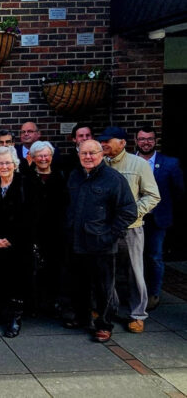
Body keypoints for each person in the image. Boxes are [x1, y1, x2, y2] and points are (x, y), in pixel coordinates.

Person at [65, 139, 137, 343]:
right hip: (76, 242)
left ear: (102, 154)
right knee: (79, 283)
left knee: (103, 287)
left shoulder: (113, 179)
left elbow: (128, 211)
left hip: (101, 244)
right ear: (78, 154)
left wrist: (110, 234)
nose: (88, 157)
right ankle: (81, 318)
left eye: (92, 153)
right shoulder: (74, 176)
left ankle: (104, 325)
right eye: (84, 153)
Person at [99, 126, 160, 333]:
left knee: (135, 271)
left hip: (131, 228)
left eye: (109, 140)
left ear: (123, 143)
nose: (104, 144)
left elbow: (152, 195)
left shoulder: (139, 164)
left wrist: (133, 213)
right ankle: (111, 308)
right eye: (103, 141)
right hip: (106, 229)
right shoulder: (100, 163)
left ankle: (137, 314)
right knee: (108, 271)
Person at [0, 146, 32, 338]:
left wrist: (12, 239)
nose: (4, 166)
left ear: (15, 165)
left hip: (18, 245)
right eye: (0, 163)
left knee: (17, 282)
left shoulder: (26, 185)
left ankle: (15, 319)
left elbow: (32, 217)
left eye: (8, 163)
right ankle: (2, 313)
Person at [135, 125, 184, 310]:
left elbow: (178, 192)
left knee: (154, 257)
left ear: (155, 141)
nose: (146, 142)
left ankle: (153, 293)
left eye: (149, 139)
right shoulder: (130, 161)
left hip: (157, 219)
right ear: (136, 141)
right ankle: (136, 293)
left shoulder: (170, 163)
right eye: (142, 139)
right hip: (133, 219)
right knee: (133, 258)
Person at [25, 141, 69, 314]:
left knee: (54, 267)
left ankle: (52, 302)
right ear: (33, 158)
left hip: (56, 231)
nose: (43, 159)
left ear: (51, 157)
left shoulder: (61, 177)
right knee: (34, 268)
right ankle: (35, 304)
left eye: (46, 155)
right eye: (39, 156)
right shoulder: (26, 177)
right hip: (33, 230)